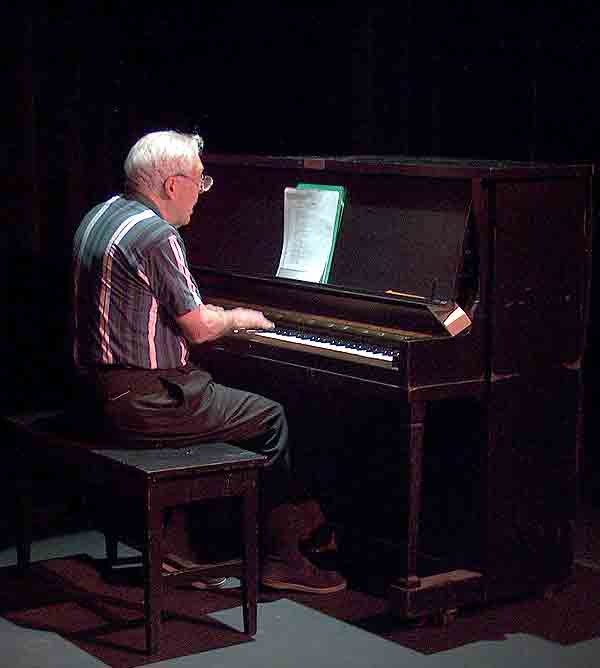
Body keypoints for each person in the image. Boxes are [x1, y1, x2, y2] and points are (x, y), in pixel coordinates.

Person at [70, 129, 346, 594]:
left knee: (218, 392)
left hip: (95, 390)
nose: (202, 192)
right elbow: (198, 328)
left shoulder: (101, 214)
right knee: (272, 417)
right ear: (171, 184)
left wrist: (212, 315)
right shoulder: (157, 235)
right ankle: (281, 557)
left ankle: (185, 540)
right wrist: (238, 318)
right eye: (199, 181)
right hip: (144, 402)